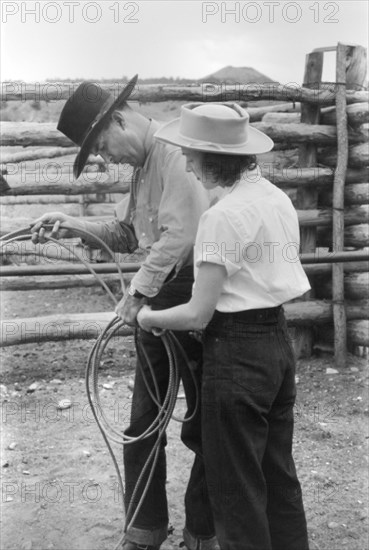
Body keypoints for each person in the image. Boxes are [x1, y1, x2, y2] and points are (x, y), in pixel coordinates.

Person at [31, 77, 220, 550]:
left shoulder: (176, 152)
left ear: (118, 119)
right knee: (142, 422)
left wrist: (137, 293)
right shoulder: (142, 168)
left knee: (204, 422)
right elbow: (127, 234)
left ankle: (203, 532)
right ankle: (146, 528)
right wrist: (74, 223)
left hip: (197, 294)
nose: (104, 158)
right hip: (158, 295)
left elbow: (183, 236)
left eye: (100, 146)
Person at [137, 102, 311, 550]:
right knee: (278, 476)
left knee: (235, 489)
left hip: (236, 354)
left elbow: (198, 313)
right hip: (277, 343)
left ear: (213, 157)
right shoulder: (276, 199)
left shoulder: (221, 217)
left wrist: (150, 316)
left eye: (192, 156)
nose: (190, 167)